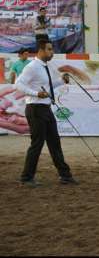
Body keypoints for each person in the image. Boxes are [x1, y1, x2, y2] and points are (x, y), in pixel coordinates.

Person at [15, 39, 78, 187]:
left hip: (45, 108)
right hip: (35, 108)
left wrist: (62, 81)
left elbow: (47, 85)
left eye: (52, 49)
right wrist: (36, 93)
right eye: (49, 49)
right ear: (41, 50)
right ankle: (26, 178)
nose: (52, 52)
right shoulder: (32, 67)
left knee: (54, 142)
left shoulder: (44, 66)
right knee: (37, 144)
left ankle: (65, 175)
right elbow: (18, 84)